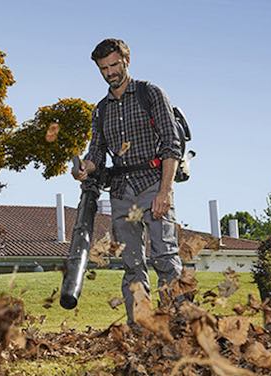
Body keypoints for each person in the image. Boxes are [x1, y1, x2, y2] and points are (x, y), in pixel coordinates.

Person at [72, 38, 183, 324]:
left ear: (126, 61)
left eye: (114, 65)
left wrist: (165, 191)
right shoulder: (101, 110)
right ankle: (140, 331)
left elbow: (171, 144)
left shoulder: (150, 94)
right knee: (132, 265)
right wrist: (86, 167)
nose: (110, 72)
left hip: (152, 184)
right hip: (121, 192)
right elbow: (96, 152)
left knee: (166, 259)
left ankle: (179, 326)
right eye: (103, 68)